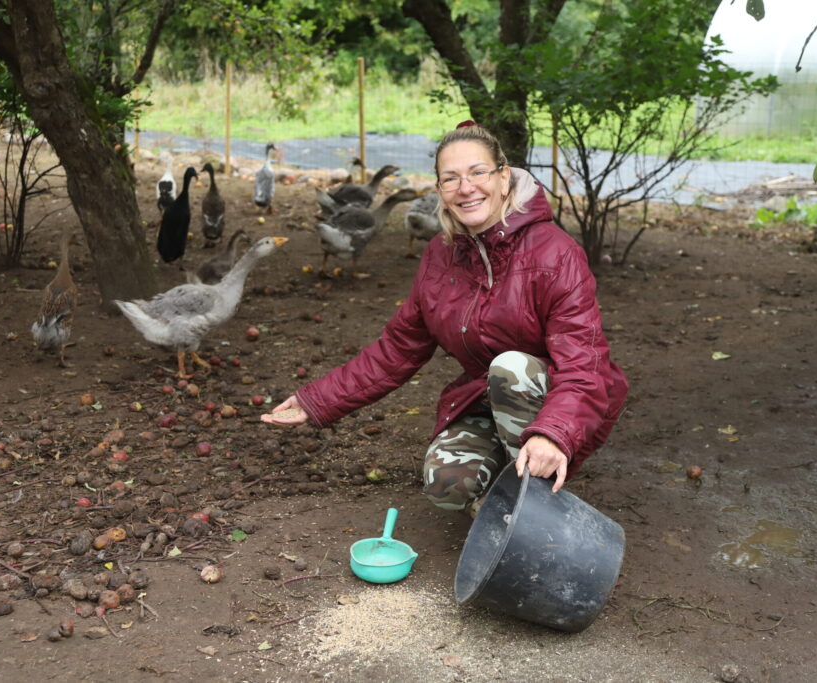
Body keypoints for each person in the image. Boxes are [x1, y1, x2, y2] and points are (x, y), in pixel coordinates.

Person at [261, 121, 628, 512]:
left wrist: (554, 433)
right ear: (440, 191)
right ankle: (509, 484)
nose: (465, 187)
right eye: (450, 178)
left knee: (511, 367)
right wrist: (316, 400)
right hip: (485, 395)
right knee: (446, 483)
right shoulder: (441, 254)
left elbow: (583, 368)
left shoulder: (556, 254)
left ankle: (535, 497)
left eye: (478, 172)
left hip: (563, 400)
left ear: (504, 178)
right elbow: (399, 349)